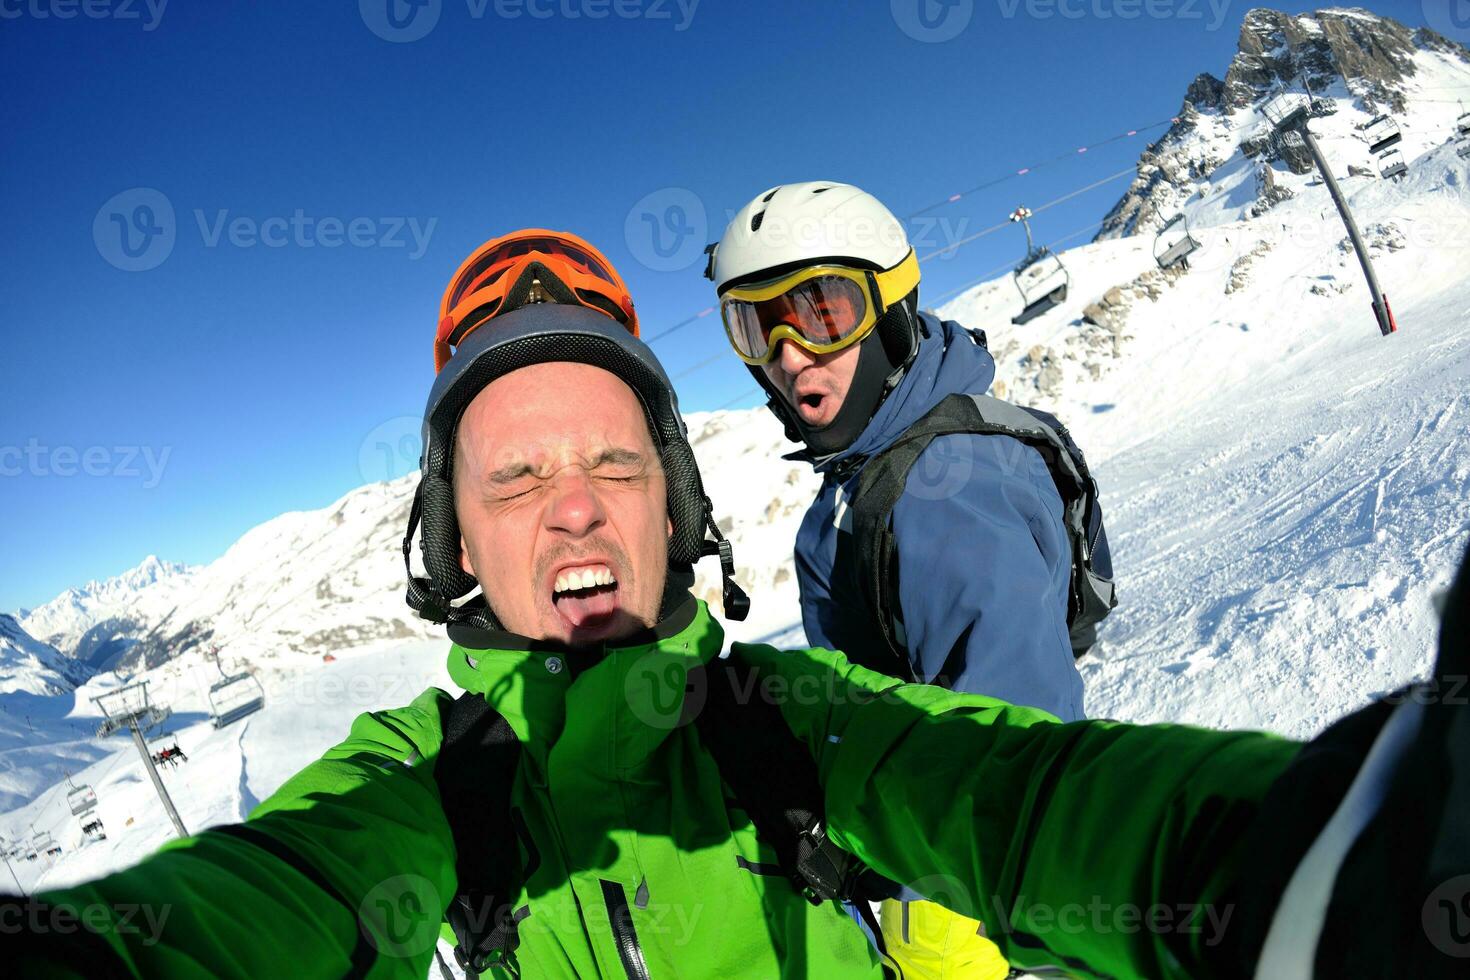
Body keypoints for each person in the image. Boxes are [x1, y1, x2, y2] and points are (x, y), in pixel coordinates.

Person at [7, 233, 1465, 980]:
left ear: (676, 510)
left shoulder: (795, 724)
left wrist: (1353, 860)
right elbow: (274, 899)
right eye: (512, 478)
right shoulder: (422, 789)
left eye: (613, 463)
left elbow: (1024, 794)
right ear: (453, 538)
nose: (573, 506)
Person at [705, 181, 1104, 976]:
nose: (789, 354)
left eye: (823, 312)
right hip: (916, 831)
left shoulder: (947, 485)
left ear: (890, 310)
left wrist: (946, 932)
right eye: (756, 326)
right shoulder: (878, 463)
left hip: (967, 898)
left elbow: (1014, 744)